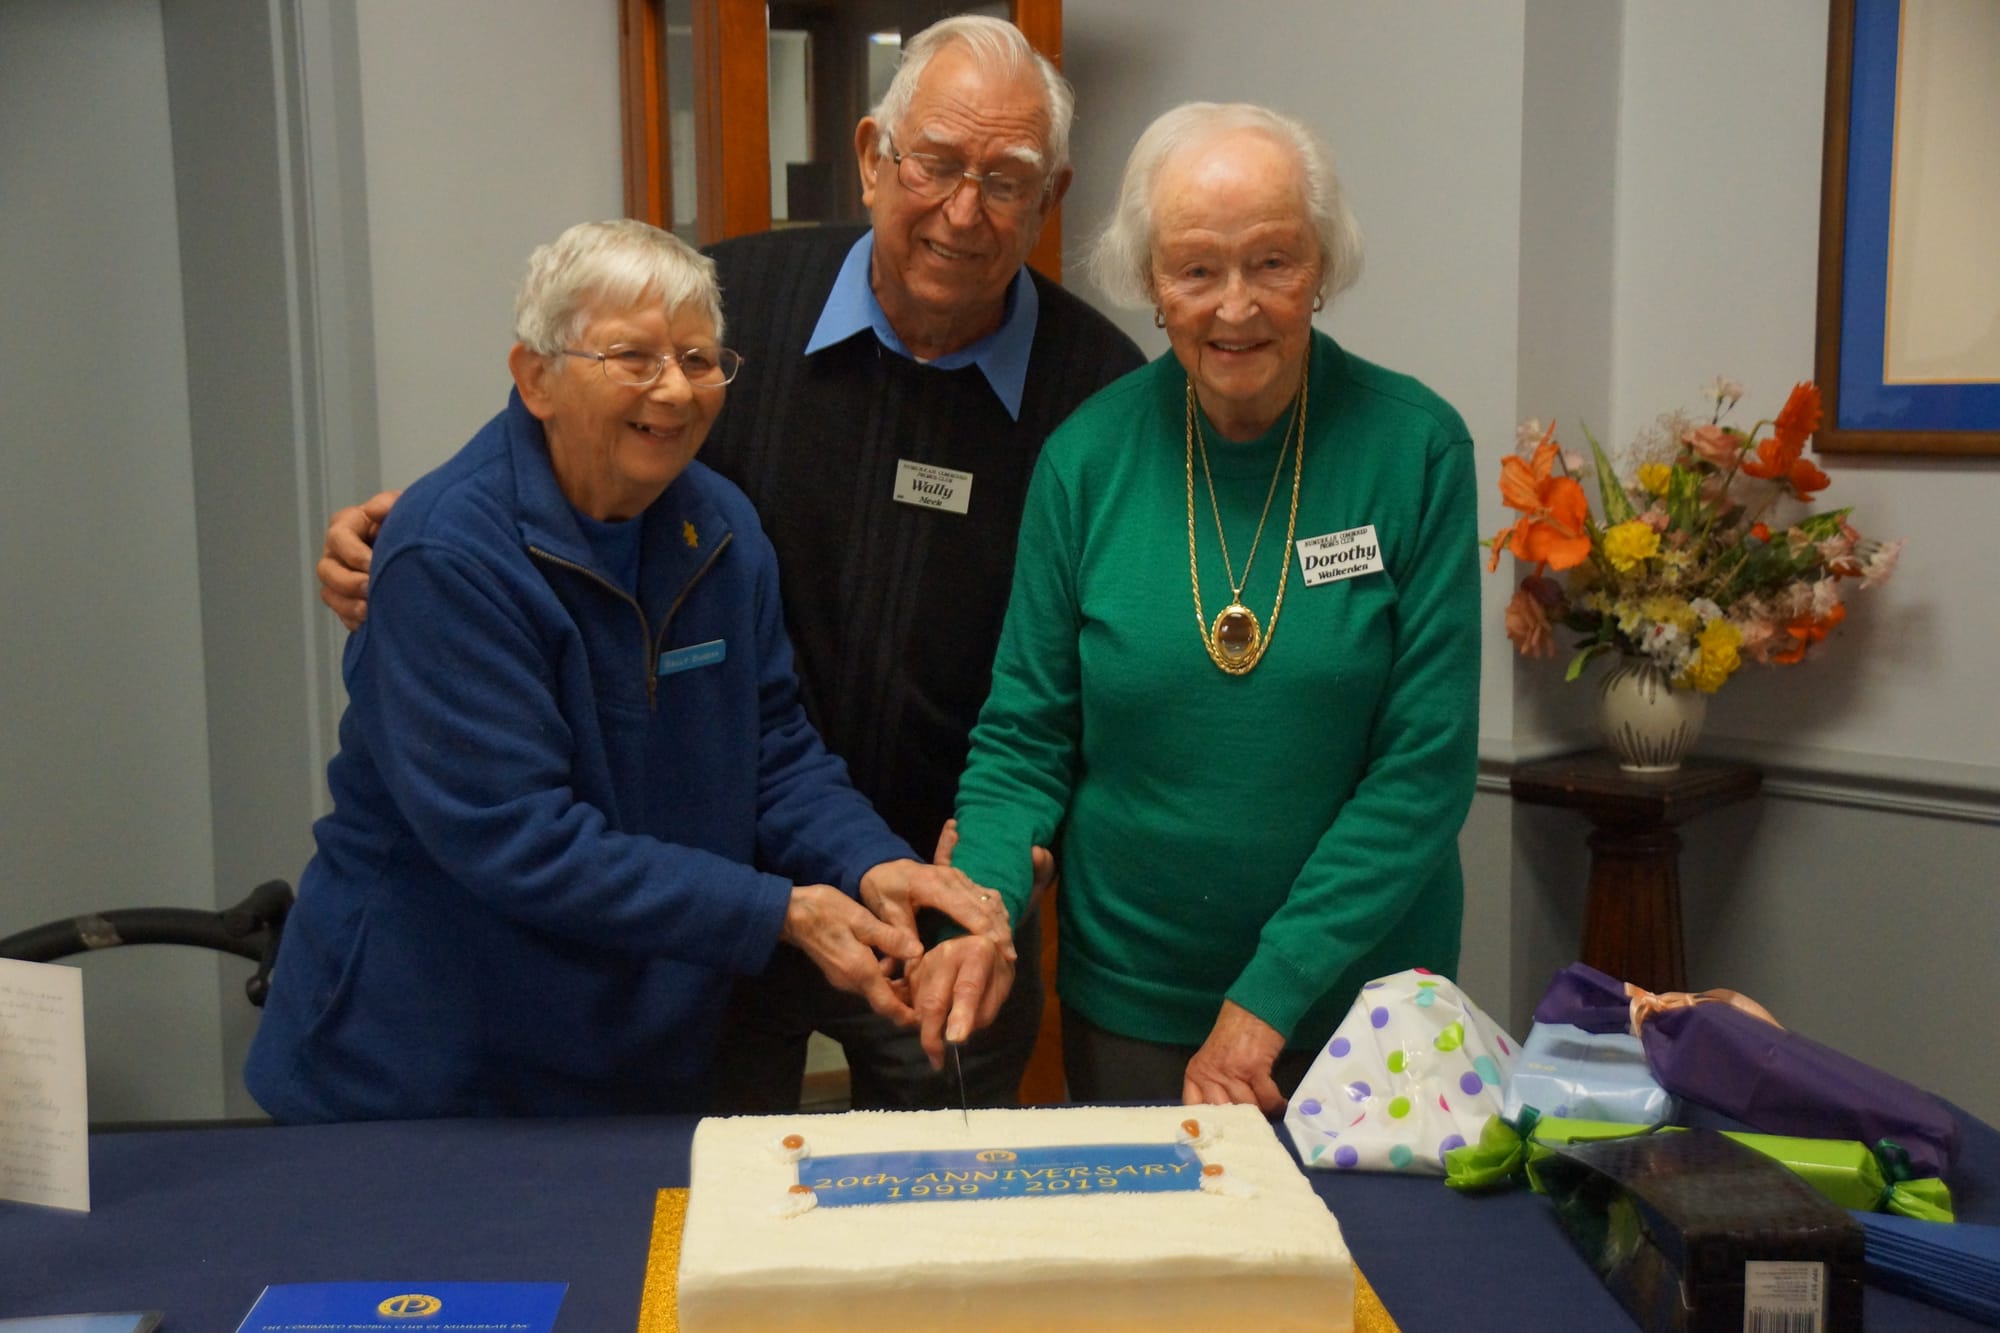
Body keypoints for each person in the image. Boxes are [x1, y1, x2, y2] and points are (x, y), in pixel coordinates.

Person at [316, 17, 1146, 1109]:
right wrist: (406, 536)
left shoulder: (1094, 391)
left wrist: (955, 853)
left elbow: (778, 740)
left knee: (932, 1223)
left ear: (1050, 195)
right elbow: (552, 448)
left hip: (921, 895)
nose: (961, 208)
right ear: (869, 157)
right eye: (933, 162)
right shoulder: (733, 300)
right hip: (658, 928)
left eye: (1004, 178)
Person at [247, 220, 1011, 1123]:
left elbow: (772, 750)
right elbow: (521, 839)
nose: (675, 390)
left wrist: (872, 862)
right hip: (422, 1072)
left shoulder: (720, 528)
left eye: (697, 357)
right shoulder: (447, 555)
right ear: (536, 377)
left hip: (632, 1061)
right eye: (634, 358)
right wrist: (780, 910)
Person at [940, 102, 1480, 1114]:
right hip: (1136, 1002)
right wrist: (976, 912)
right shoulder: (1085, 460)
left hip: (1364, 1009)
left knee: (1383, 1274)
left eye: (1271, 262)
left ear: (1321, 265)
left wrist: (1264, 999)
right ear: (1149, 282)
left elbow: (1423, 770)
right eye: (1195, 270)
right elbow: (1022, 737)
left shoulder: (1416, 450)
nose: (1235, 307)